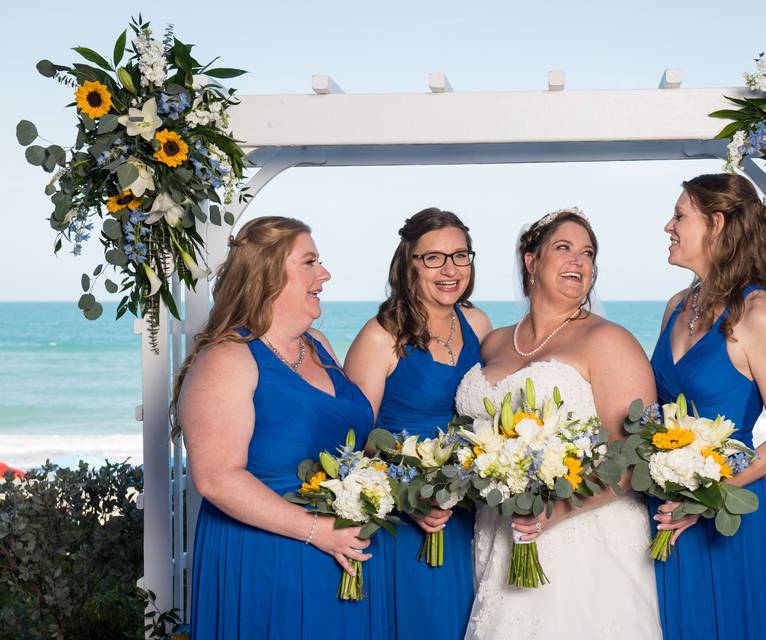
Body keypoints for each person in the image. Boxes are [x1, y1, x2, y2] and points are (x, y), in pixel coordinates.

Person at [453, 207, 662, 639]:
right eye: (563, 248)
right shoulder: (494, 342)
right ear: (531, 260)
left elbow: (632, 459)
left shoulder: (609, 340)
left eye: (588, 254)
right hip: (500, 535)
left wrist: (555, 510)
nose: (579, 262)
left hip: (585, 537)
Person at [175, 216, 386, 639]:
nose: (324, 274)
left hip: (339, 547)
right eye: (310, 262)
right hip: (265, 553)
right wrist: (316, 531)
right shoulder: (228, 359)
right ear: (269, 276)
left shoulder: (320, 347)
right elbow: (216, 478)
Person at [649, 173, 766, 640]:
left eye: (679, 216)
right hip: (663, 506)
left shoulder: (759, 315)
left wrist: (705, 499)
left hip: (725, 514)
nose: (667, 226)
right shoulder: (677, 305)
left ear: (715, 223)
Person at [344, 208, 491, 640]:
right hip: (407, 520)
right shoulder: (380, 336)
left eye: (460, 256)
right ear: (409, 264)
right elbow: (353, 443)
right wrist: (410, 499)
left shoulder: (478, 323)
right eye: (434, 258)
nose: (451, 269)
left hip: (468, 513)